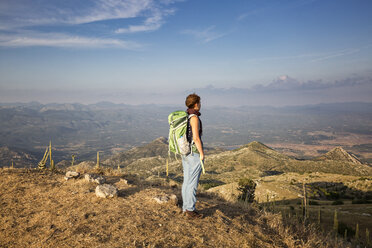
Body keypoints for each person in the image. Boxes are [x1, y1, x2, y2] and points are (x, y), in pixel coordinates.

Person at [182, 93, 204, 219]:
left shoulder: (186, 115)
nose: (200, 105)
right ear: (196, 104)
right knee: (193, 183)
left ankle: (186, 208)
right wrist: (201, 153)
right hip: (193, 153)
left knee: (187, 181)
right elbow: (196, 137)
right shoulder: (194, 117)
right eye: (199, 103)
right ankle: (190, 210)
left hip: (185, 152)